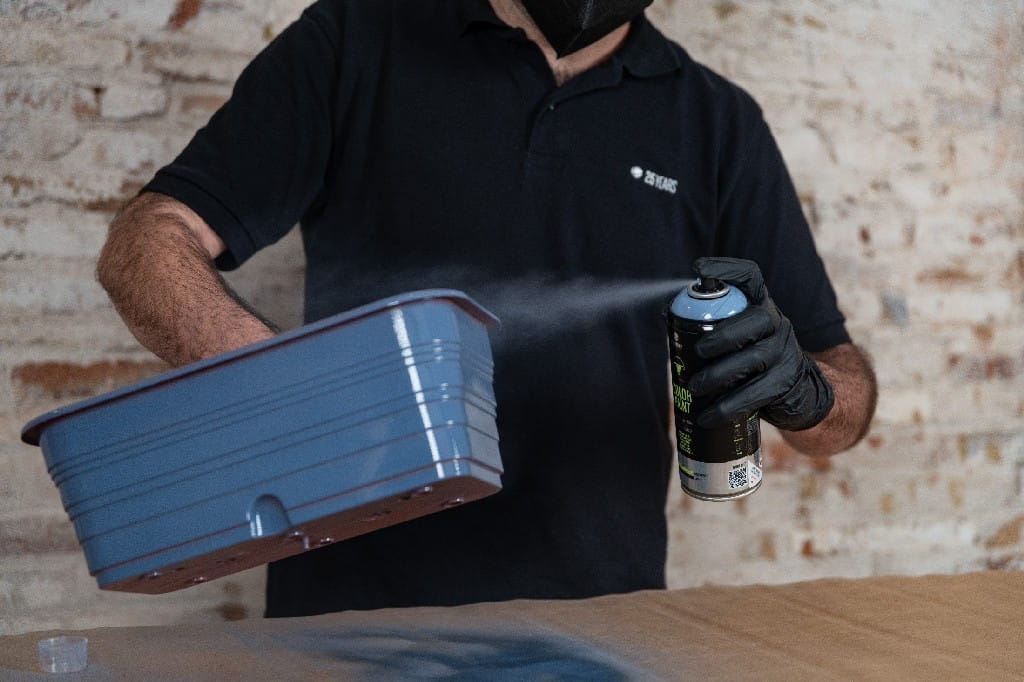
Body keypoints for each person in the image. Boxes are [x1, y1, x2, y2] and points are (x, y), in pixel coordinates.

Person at [97, 0, 877, 617]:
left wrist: (807, 392)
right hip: (348, 629)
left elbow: (842, 399)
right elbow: (149, 239)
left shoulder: (717, 123)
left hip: (601, 627)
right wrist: (283, 387)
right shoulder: (358, 37)